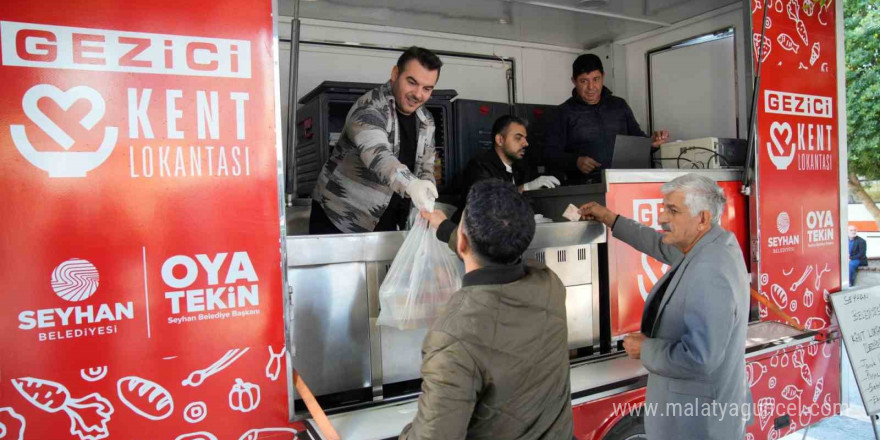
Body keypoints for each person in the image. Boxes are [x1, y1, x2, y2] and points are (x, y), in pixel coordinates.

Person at [580, 174, 750, 440]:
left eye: (672, 210)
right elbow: (658, 243)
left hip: (698, 424)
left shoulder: (710, 270)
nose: (661, 218)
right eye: (663, 208)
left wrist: (645, 349)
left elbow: (700, 358)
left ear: (702, 218)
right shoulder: (710, 244)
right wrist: (611, 219)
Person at [401, 179, 573, 440]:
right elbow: (497, 253)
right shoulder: (549, 285)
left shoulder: (453, 336)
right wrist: (446, 228)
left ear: (462, 241)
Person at [309, 46, 442, 234]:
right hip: (340, 216)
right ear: (395, 74)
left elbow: (426, 166)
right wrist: (411, 184)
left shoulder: (426, 119)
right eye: (412, 82)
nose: (418, 94)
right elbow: (377, 154)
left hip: (388, 220)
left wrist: (426, 190)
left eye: (427, 88)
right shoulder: (369, 108)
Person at [546, 53, 670, 185]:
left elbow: (637, 140)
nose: (591, 87)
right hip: (585, 186)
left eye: (596, 79)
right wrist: (576, 161)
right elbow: (550, 155)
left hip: (624, 182)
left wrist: (651, 143)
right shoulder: (563, 112)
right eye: (584, 81)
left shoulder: (619, 105)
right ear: (574, 81)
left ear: (603, 77)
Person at [450, 115, 560, 223]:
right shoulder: (479, 166)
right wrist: (525, 188)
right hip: (474, 234)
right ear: (500, 140)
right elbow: (490, 204)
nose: (526, 143)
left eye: (525, 138)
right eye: (518, 138)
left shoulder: (520, 168)